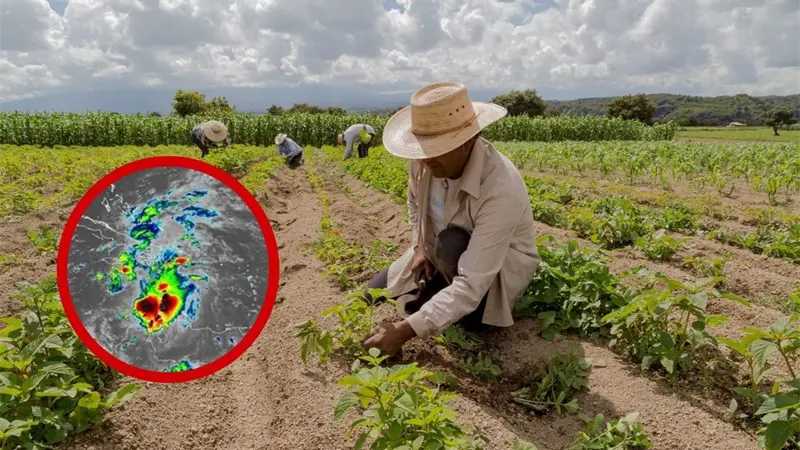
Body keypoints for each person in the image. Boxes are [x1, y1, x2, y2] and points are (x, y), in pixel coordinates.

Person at [361, 81, 541, 356]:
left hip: (489, 275)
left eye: (436, 148)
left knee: (451, 243)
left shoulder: (500, 189)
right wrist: (420, 246)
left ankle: (469, 319)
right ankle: (435, 291)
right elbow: (414, 203)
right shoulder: (423, 162)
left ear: (467, 141)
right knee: (368, 294)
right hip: (438, 255)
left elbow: (471, 284)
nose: (425, 158)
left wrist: (405, 331)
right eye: (422, 148)